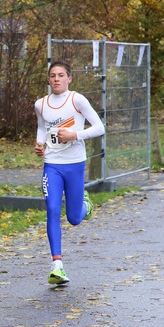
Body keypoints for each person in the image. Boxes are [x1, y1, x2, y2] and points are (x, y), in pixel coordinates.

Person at [34, 59, 105, 285]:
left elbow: (99, 127)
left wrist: (74, 135)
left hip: (74, 163)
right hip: (52, 164)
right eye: (53, 75)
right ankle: (57, 266)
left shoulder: (77, 100)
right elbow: (42, 127)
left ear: (69, 78)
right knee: (52, 209)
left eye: (61, 75)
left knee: (74, 218)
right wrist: (39, 144)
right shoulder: (41, 104)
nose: (57, 79)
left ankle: (85, 206)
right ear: (48, 79)